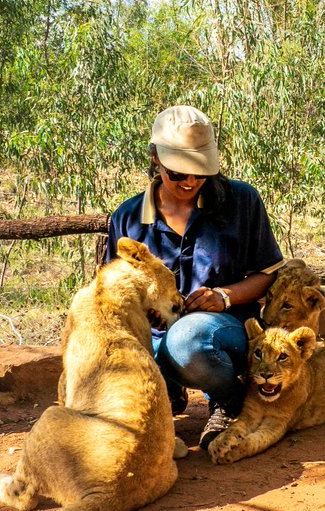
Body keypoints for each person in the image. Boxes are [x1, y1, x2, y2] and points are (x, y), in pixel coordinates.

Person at [104, 105, 284, 451]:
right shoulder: (127, 217)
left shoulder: (241, 201)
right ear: (155, 158)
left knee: (186, 339)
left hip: (224, 330)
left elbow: (267, 274)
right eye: (177, 173)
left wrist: (225, 296)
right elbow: (118, 293)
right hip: (153, 339)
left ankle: (230, 402)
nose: (189, 182)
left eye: (200, 173)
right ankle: (168, 392)